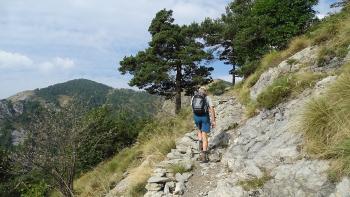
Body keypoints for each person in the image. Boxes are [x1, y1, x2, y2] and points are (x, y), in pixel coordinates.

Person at [191, 87, 216, 162]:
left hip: (196, 117)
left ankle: (200, 147)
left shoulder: (194, 97)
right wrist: (213, 120)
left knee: (199, 130)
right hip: (205, 117)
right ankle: (204, 155)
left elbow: (192, 107)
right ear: (205, 91)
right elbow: (211, 109)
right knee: (204, 135)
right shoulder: (207, 97)